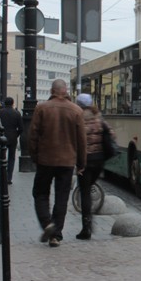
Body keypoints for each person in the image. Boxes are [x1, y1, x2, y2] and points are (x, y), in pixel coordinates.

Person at [29, 79, 86, 248]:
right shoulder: (76, 110)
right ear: (65, 90)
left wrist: (34, 156)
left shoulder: (42, 108)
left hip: (45, 159)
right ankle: (56, 236)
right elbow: (81, 140)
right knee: (62, 197)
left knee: (40, 193)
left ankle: (47, 224)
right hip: (67, 161)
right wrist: (81, 163)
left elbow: (32, 135)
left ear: (52, 90)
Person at [74, 93, 108, 240]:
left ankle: (86, 227)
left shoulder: (78, 118)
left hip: (85, 161)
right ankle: (90, 220)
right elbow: (110, 134)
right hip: (99, 160)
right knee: (89, 188)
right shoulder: (98, 117)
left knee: (85, 192)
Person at [0, 97, 23, 184]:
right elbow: (21, 128)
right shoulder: (17, 113)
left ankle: (2, 176)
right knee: (11, 158)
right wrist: (16, 134)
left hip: (2, 137)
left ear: (4, 103)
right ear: (12, 103)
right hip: (13, 137)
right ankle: (9, 177)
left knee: (2, 158)